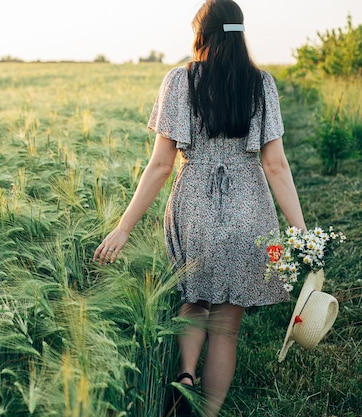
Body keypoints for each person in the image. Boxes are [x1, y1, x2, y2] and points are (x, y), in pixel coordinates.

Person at [93, 0, 307, 415]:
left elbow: (160, 165)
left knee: (193, 300)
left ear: (200, 34)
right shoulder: (261, 84)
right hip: (249, 209)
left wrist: (123, 228)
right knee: (226, 328)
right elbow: (276, 164)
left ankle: (186, 375)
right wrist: (300, 230)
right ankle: (205, 411)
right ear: (240, 33)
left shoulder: (179, 81)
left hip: (195, 208)